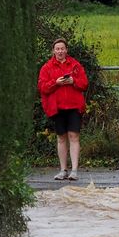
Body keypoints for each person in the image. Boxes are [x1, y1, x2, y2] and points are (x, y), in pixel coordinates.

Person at [38, 38, 89, 181]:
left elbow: (84, 84)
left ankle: (74, 171)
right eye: (57, 49)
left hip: (74, 106)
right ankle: (62, 170)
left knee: (74, 137)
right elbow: (42, 87)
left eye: (62, 48)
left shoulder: (75, 65)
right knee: (61, 138)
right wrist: (56, 83)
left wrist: (74, 81)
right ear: (53, 51)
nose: (60, 51)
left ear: (66, 50)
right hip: (57, 107)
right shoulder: (47, 67)